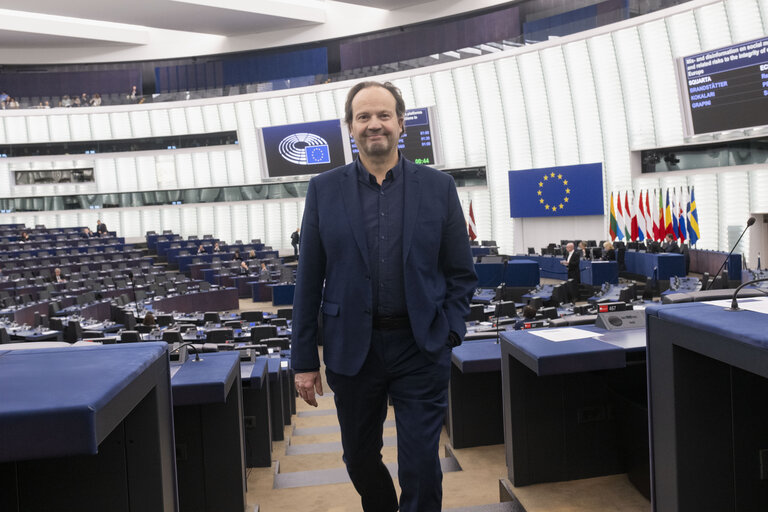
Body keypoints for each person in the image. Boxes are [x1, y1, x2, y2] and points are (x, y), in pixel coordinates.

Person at [292, 81, 477, 512]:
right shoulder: (323, 189)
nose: (374, 124)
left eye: (383, 115)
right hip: (351, 349)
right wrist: (303, 359)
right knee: (358, 457)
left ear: (400, 123)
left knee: (420, 463)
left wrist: (450, 330)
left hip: (421, 346)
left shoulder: (438, 187)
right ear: (350, 127)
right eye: (363, 117)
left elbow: (461, 274)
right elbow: (309, 278)